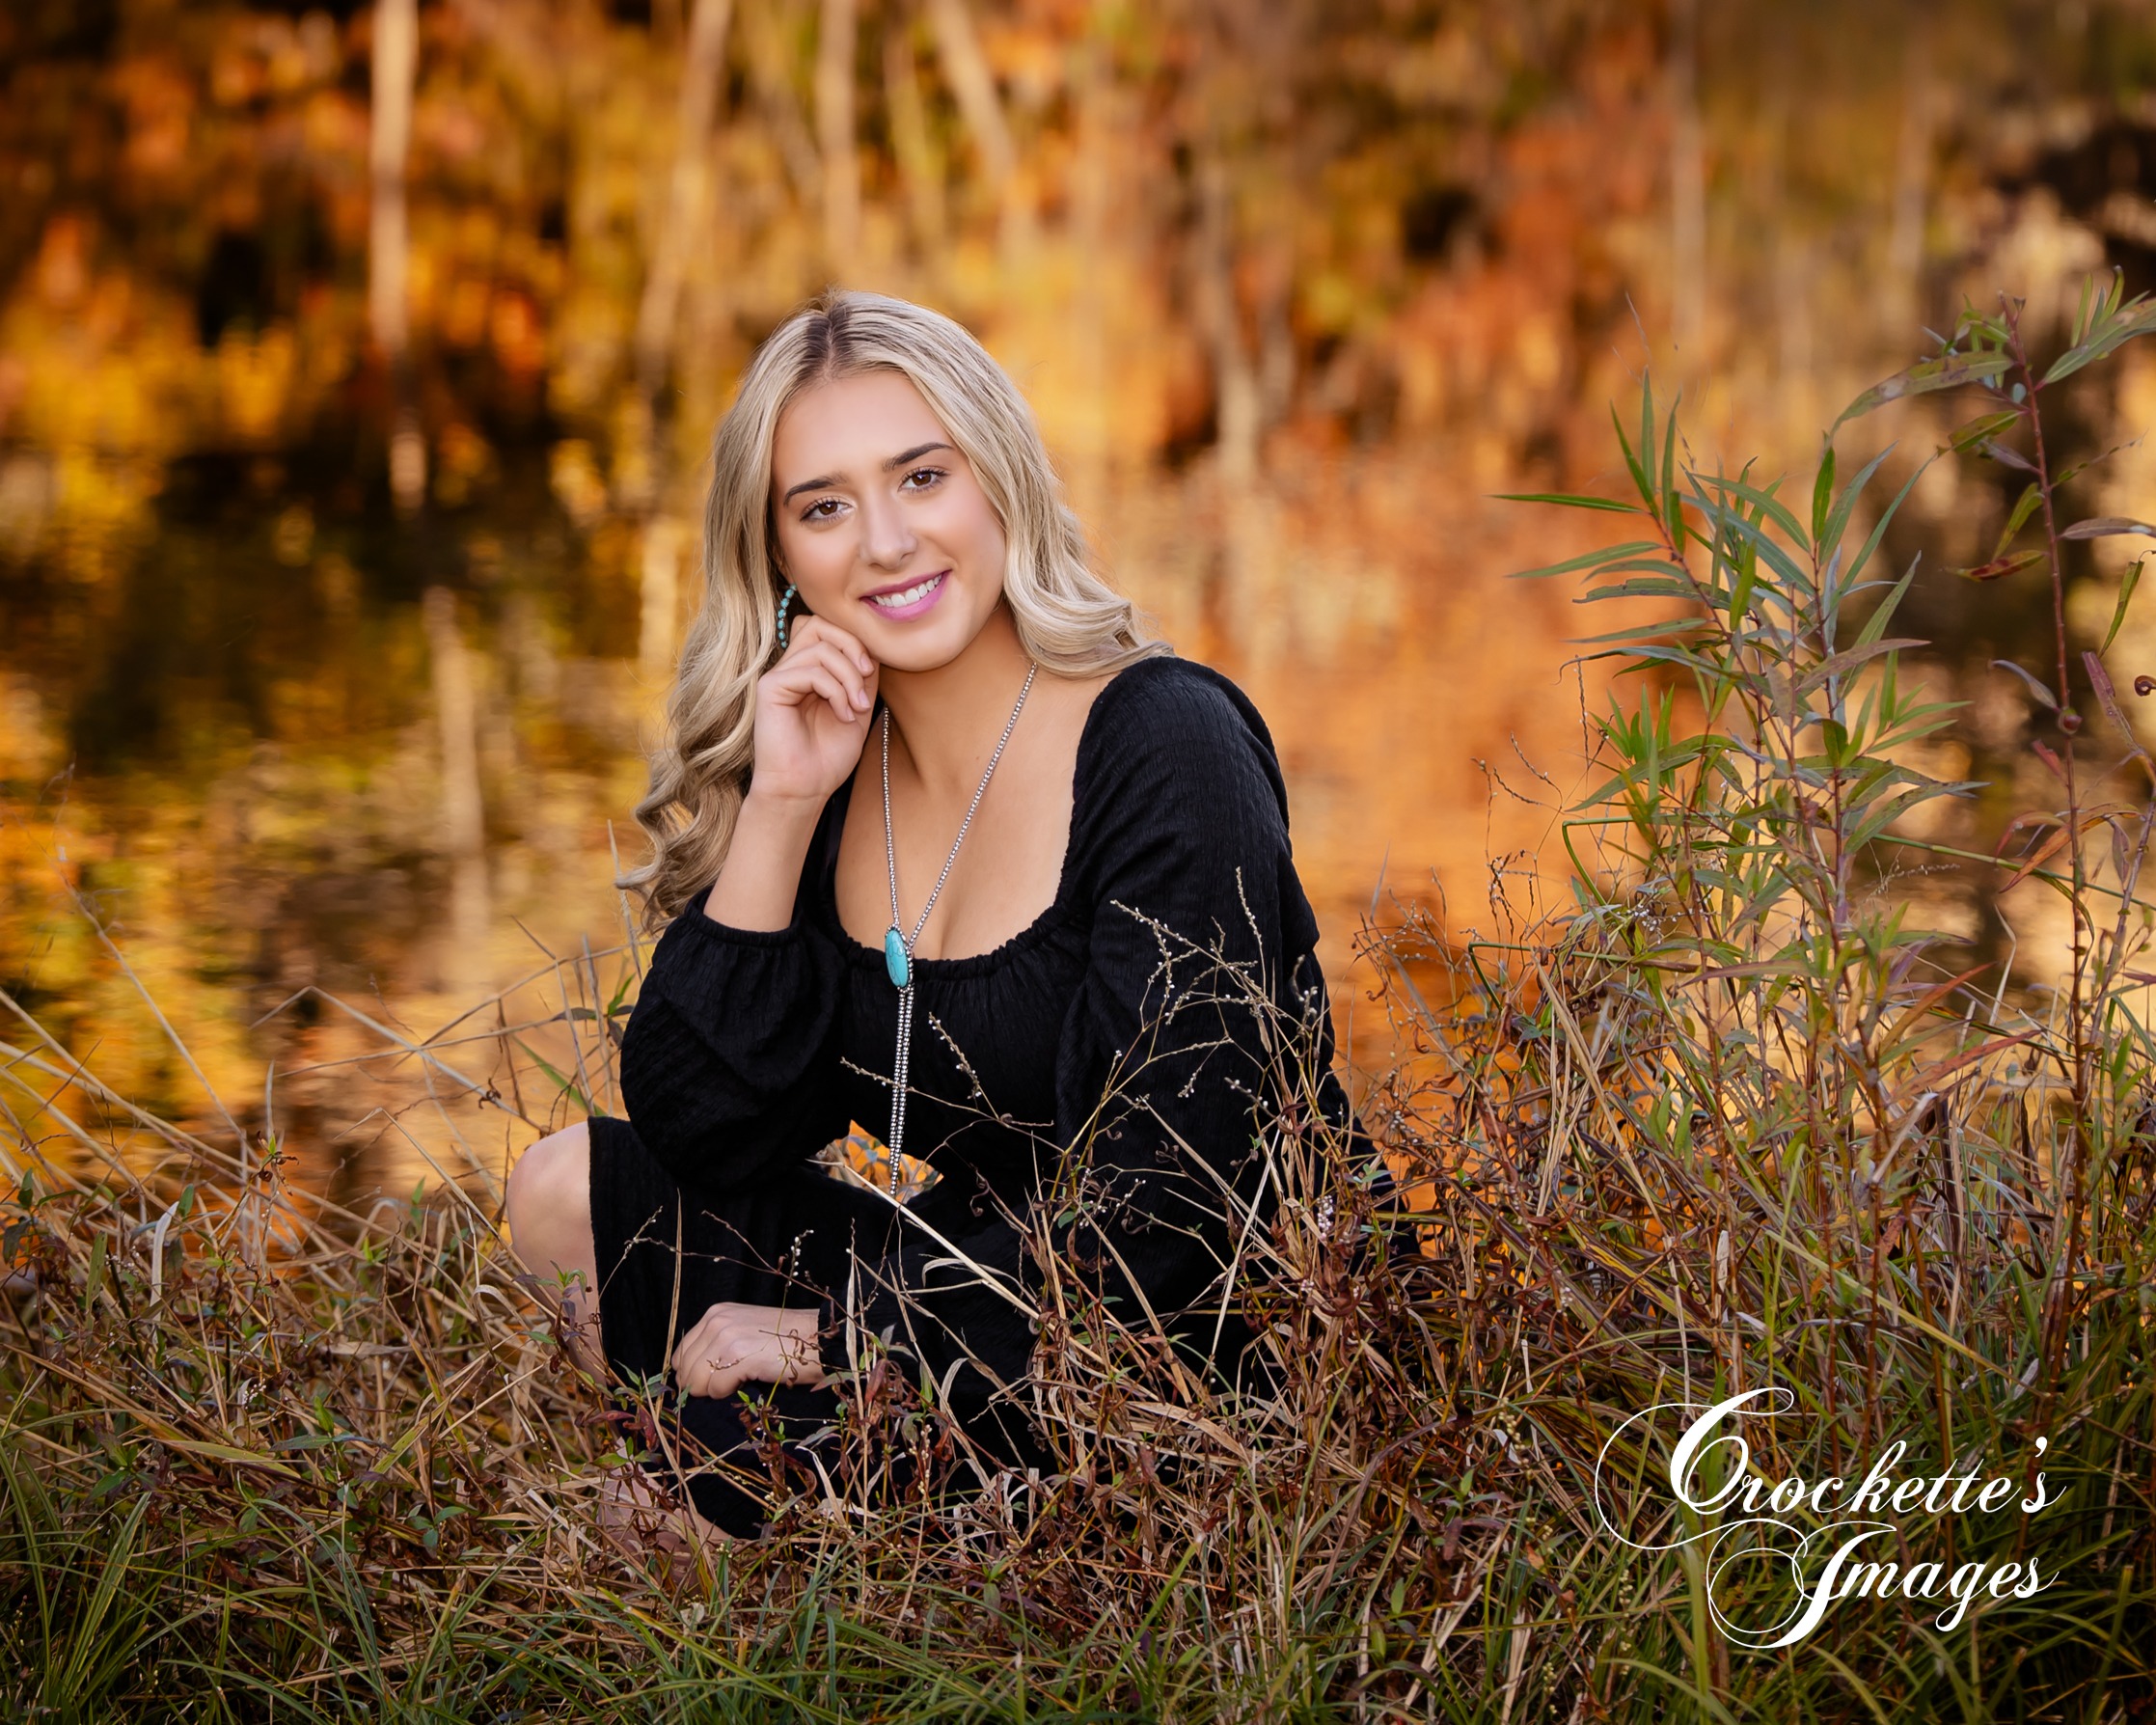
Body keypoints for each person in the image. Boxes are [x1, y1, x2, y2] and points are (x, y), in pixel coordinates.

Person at [504, 288, 1350, 1540]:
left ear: (997, 478)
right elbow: (695, 1125)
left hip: (1189, 1335)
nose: (886, 542)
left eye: (921, 476)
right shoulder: (833, 770)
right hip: (958, 1275)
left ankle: (801, 1523)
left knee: (657, 1524)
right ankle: (782, 1496)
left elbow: (1176, 1210)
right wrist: (781, 806)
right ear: (779, 555)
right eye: (826, 507)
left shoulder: (1165, 742)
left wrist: (845, 1334)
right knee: (562, 1191)